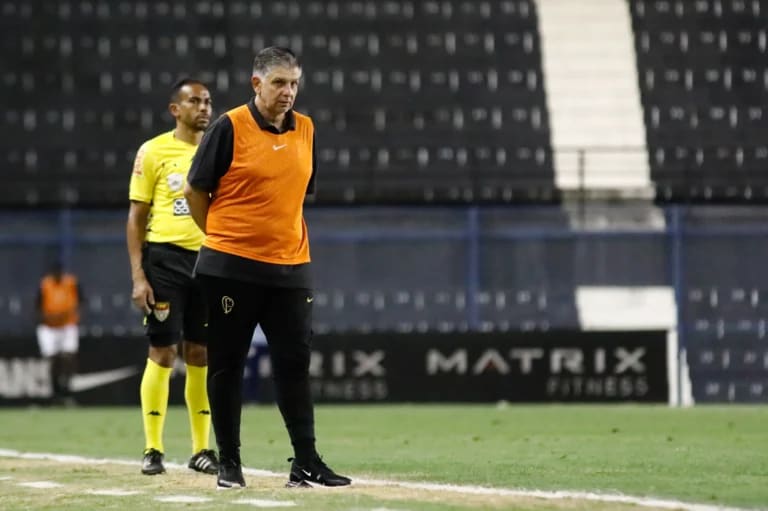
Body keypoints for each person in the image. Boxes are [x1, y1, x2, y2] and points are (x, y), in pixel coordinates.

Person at [184, 47, 351, 490]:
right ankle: (229, 463)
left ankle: (307, 461)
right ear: (256, 84)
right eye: (279, 82)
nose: (288, 91)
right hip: (230, 268)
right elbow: (196, 190)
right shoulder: (229, 126)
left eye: (294, 83)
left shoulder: (307, 130)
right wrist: (223, 239)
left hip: (291, 267)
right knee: (227, 364)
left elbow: (293, 196)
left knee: (294, 363)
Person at [126, 78, 219, 476]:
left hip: (209, 260)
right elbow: (136, 217)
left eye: (208, 101)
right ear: (175, 110)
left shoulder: (218, 149)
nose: (203, 108)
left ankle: (201, 449)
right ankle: (153, 448)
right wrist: (138, 276)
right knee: (163, 352)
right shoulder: (153, 151)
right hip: (164, 260)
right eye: (194, 101)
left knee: (200, 353)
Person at [36, 261, 82, 406]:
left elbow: (81, 301)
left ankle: (67, 390)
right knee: (52, 360)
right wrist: (46, 317)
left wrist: (74, 314)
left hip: (68, 325)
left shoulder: (71, 282)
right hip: (49, 327)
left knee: (68, 357)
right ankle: (55, 392)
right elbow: (37, 305)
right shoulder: (45, 284)